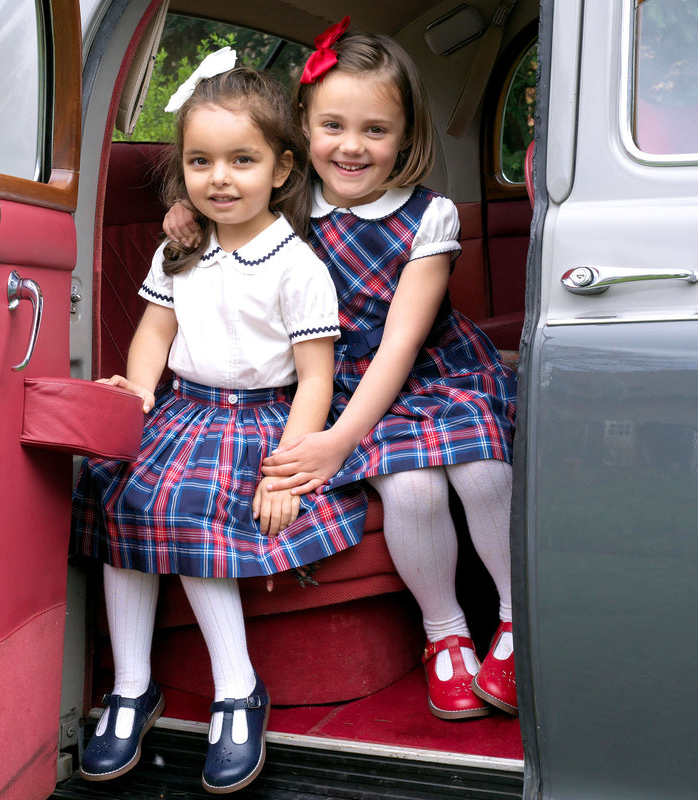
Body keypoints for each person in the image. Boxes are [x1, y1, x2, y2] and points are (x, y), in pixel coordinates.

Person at [163, 20, 518, 721]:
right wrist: (184, 212)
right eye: (332, 125)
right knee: (412, 491)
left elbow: (399, 348)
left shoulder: (429, 217)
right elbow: (218, 193)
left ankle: (515, 622)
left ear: (407, 138)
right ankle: (445, 636)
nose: (351, 146)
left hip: (431, 374)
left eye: (376, 131)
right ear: (302, 128)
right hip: (338, 380)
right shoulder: (284, 203)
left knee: (483, 470)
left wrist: (336, 444)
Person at [71, 55, 368, 794]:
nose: (220, 179)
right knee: (118, 499)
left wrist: (289, 468)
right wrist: (139, 393)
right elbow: (154, 331)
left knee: (195, 516)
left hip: (259, 423)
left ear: (283, 168)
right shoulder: (183, 247)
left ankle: (238, 690)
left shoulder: (296, 265)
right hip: (183, 411)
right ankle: (133, 687)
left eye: (242, 160)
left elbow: (316, 377)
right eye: (200, 162)